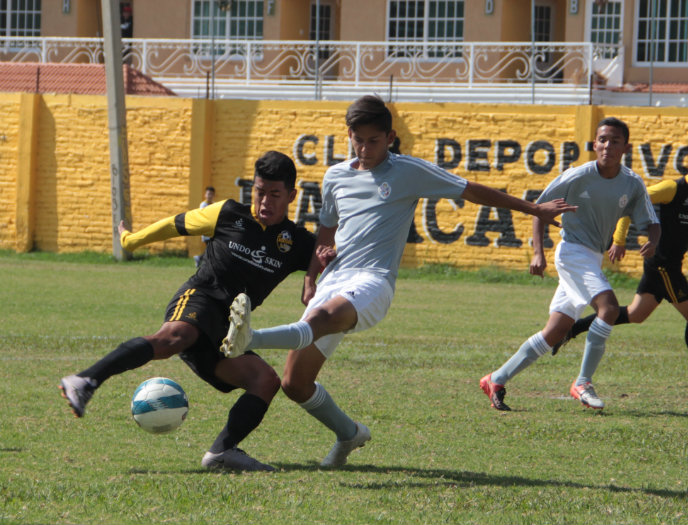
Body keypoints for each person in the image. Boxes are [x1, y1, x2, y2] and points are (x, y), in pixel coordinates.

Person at [219, 95, 577, 467]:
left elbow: (471, 190)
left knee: (320, 319)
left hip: (373, 282)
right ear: (349, 135)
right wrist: (312, 275)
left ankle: (250, 338)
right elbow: (327, 226)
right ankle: (349, 434)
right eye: (358, 139)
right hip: (334, 279)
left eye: (374, 140)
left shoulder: (408, 172)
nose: (365, 147)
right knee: (295, 383)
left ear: (390, 137)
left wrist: (534, 208)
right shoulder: (335, 176)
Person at [59, 151, 315, 471]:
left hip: (228, 332)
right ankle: (84, 381)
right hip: (199, 298)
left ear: (291, 195)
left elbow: (326, 257)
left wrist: (311, 276)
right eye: (259, 192)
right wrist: (131, 241)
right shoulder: (227, 213)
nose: (264, 201)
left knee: (265, 380)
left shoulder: (296, 242)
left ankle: (222, 453)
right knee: (174, 337)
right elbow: (174, 225)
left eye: (274, 195)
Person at [480, 117, 661, 412]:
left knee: (555, 331)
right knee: (610, 308)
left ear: (626, 147)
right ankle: (583, 382)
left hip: (592, 257)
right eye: (602, 140)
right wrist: (538, 253)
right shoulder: (577, 176)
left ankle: (496, 379)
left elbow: (652, 222)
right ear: (594, 144)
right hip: (572, 252)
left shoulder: (632, 182)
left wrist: (652, 241)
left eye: (615, 141)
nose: (607, 146)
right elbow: (539, 210)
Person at [552, 134, 688, 387]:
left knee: (636, 315)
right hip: (662, 264)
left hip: (669, 264)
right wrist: (619, 239)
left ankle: (572, 329)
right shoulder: (672, 188)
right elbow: (630, 203)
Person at [194, 186, 216, 268]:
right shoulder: (203, 205)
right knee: (210, 248)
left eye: (211, 194)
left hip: (213, 230)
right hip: (206, 230)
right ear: (205, 195)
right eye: (208, 194)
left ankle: (200, 258)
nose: (209, 196)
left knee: (211, 248)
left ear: (214, 195)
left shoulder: (214, 205)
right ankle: (201, 259)